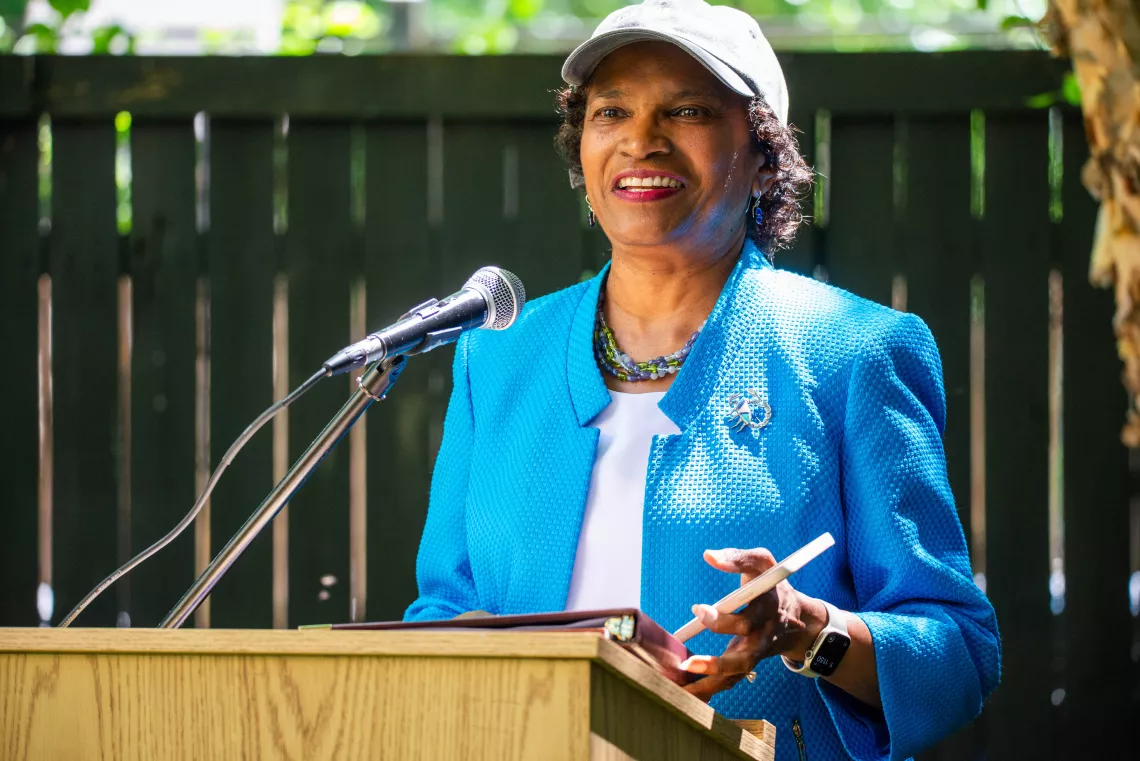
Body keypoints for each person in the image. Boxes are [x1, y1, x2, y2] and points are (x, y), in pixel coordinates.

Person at [404, 1, 1001, 758]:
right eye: (610, 111)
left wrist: (805, 628)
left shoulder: (855, 351)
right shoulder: (498, 356)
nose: (640, 140)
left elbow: (957, 653)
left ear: (763, 155)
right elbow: (443, 607)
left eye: (686, 110)